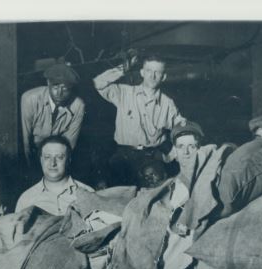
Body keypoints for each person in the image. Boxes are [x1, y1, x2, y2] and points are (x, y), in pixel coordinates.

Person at [93, 54, 185, 186]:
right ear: (142, 72)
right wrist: (123, 69)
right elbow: (98, 84)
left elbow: (182, 128)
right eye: (148, 71)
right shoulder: (124, 93)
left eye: (157, 72)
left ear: (163, 77)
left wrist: (175, 151)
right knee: (115, 190)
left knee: (157, 189)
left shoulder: (168, 103)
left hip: (152, 157)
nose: (152, 76)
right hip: (124, 156)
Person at [21, 63, 85, 166]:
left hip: (57, 156)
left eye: (65, 89)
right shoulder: (30, 99)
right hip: (33, 154)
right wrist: (30, 168)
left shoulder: (78, 105)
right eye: (55, 87)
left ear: (71, 88)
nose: (59, 93)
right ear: (48, 82)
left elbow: (69, 146)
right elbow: (25, 142)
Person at [15, 135, 93, 216]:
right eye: (47, 157)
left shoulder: (89, 193)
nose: (53, 163)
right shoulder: (26, 199)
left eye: (59, 157)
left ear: (69, 160)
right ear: (41, 160)